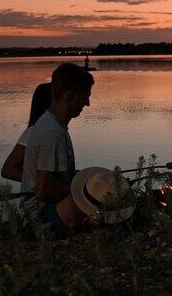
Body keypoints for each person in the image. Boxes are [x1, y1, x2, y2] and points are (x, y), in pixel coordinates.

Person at [21, 63, 109, 239]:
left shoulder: (54, 125)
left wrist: (86, 179)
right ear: (70, 96)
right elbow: (44, 190)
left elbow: (57, 180)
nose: (88, 103)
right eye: (85, 97)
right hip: (40, 217)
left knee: (100, 190)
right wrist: (83, 191)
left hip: (48, 208)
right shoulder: (52, 132)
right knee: (103, 206)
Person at [1, 83, 52, 182]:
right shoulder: (35, 132)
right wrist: (43, 185)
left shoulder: (52, 130)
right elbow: (8, 170)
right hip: (37, 195)